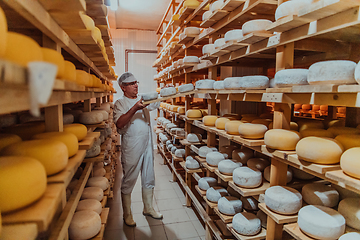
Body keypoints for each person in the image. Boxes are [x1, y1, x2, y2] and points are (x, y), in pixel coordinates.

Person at [113, 72, 162, 227]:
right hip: (132, 147)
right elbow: (120, 124)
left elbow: (157, 101)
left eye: (136, 82)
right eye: (131, 83)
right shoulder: (120, 103)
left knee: (149, 177)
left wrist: (164, 91)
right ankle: (127, 214)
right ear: (123, 87)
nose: (136, 85)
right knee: (129, 179)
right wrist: (135, 108)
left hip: (147, 145)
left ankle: (148, 208)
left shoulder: (143, 98)